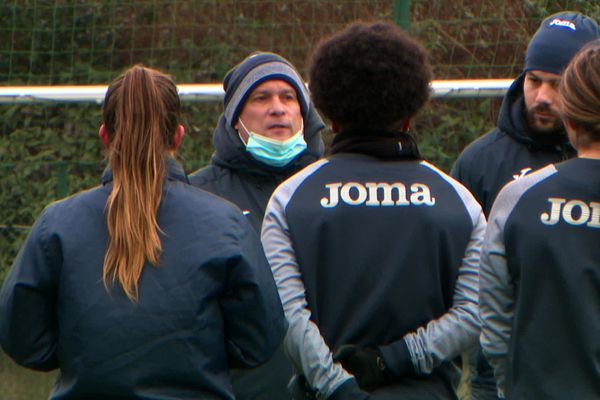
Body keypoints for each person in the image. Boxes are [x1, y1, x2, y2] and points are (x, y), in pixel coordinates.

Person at [0, 65, 286, 399]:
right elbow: (259, 340)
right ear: (178, 137)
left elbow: (21, 337)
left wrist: (80, 354)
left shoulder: (57, 224)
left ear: (105, 135)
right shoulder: (227, 222)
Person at [261, 21, 486, 400]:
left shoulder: (290, 199)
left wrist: (337, 386)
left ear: (331, 117)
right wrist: (391, 361)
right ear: (408, 116)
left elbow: (287, 316)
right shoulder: (457, 200)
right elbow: (474, 312)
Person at [450, 11, 600, 399]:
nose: (544, 97)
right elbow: (464, 277)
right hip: (503, 376)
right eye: (534, 81)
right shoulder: (479, 162)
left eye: (558, 83)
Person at [189, 52, 325, 399]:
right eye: (261, 98)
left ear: (304, 113)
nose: (277, 108)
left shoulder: (333, 187)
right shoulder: (196, 197)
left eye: (288, 97)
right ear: (236, 118)